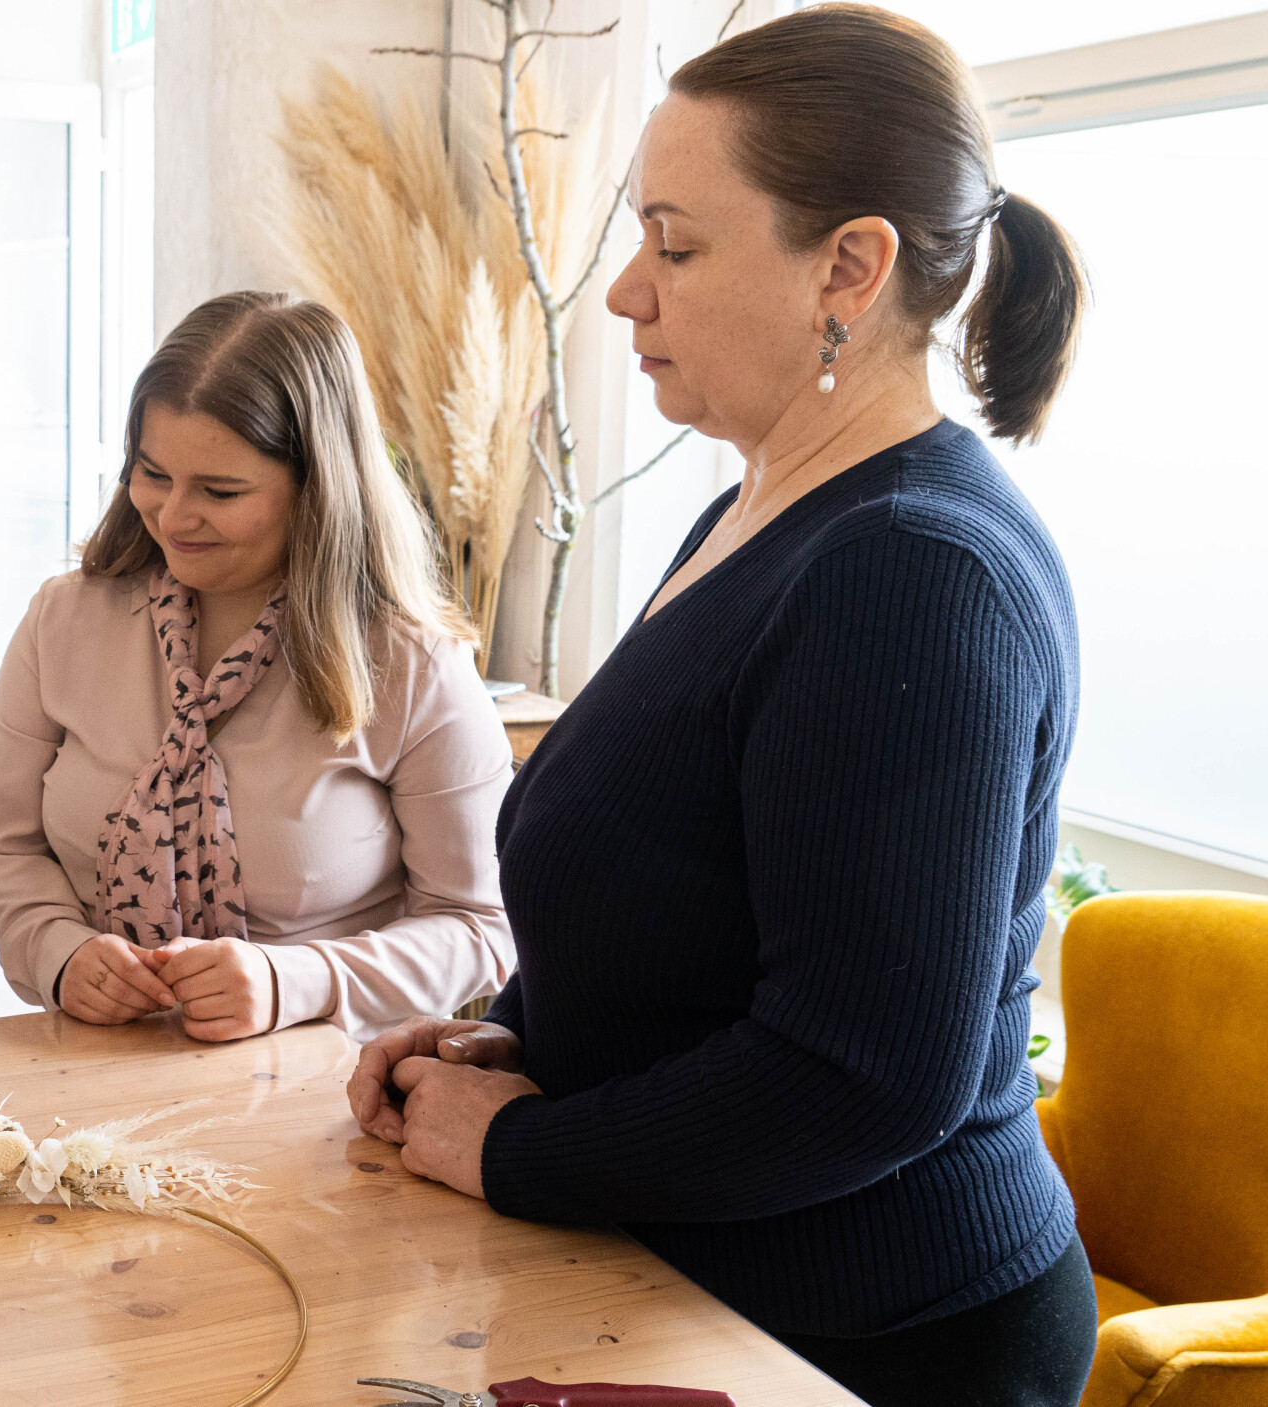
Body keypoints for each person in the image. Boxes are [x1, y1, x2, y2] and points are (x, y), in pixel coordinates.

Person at [345, 8, 1100, 1404]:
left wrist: (516, 1146)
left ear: (850, 269)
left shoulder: (908, 572)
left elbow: (861, 1069)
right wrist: (525, 1041)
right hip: (692, 1280)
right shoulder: (756, 506)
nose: (627, 291)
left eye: (676, 244)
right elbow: (716, 901)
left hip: (868, 1333)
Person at [0, 292, 513, 1045]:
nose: (174, 517)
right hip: (86, 1070)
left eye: (220, 491)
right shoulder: (64, 620)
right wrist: (58, 951)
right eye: (153, 474)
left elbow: (483, 927)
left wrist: (296, 982)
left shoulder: (413, 668)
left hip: (324, 1090)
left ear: (319, 490)